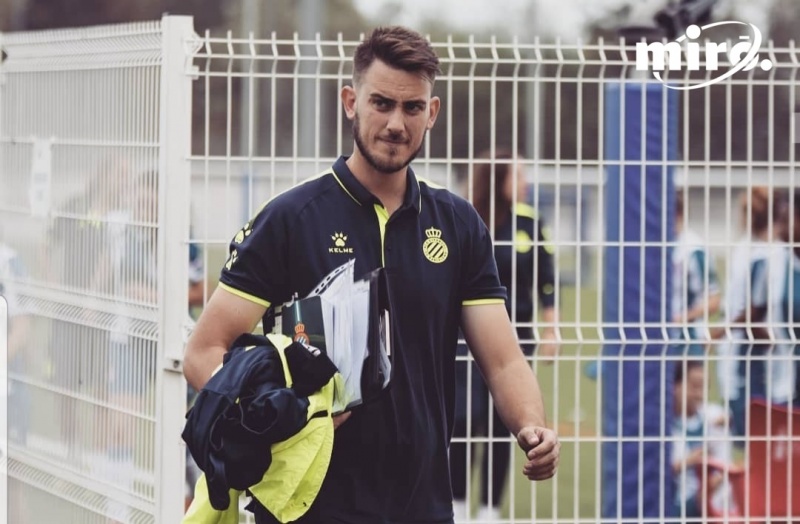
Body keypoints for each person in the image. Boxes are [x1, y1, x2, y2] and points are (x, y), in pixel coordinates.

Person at [183, 26, 560, 524]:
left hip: (422, 505)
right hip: (308, 508)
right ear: (350, 102)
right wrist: (272, 418)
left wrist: (532, 425)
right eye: (381, 103)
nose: (396, 124)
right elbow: (204, 351)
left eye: (412, 107)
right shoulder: (291, 218)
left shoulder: (459, 224)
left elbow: (504, 361)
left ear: (432, 113)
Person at [450, 149, 558, 521]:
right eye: (519, 175)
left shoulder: (530, 223)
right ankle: (458, 506)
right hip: (465, 341)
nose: (526, 183)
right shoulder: (465, 219)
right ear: (497, 180)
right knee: (463, 420)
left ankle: (490, 511)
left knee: (503, 425)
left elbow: (547, 280)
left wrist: (552, 327)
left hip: (516, 340)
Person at [710, 187, 786, 438]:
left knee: (759, 422)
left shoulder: (771, 253)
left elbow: (752, 311)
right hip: (746, 347)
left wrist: (721, 331)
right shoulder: (746, 248)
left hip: (756, 350)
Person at [671, 360, 735, 520]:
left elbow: (724, 465)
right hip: (681, 505)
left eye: (704, 388)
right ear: (674, 387)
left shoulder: (714, 417)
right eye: (694, 387)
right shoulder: (663, 427)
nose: (700, 394)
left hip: (718, 500)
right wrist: (689, 461)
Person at [672, 190, 721, 356]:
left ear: (678, 215)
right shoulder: (655, 245)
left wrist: (682, 318)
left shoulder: (693, 250)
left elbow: (714, 300)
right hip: (663, 338)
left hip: (689, 339)